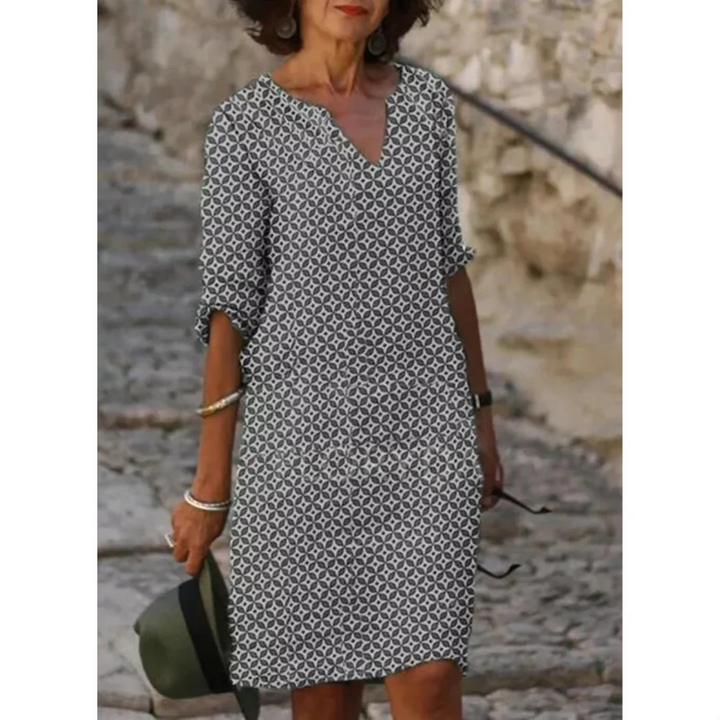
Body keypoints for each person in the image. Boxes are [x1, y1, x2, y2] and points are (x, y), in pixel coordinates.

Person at [171, 1, 505, 718]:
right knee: (324, 698)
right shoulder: (245, 124)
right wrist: (209, 487)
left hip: (426, 442)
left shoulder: (426, 104)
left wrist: (480, 414)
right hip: (301, 454)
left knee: (431, 677)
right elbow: (231, 312)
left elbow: (449, 266)